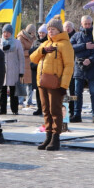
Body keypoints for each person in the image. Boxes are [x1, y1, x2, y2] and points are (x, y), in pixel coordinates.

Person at [30, 15, 74, 151]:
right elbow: (33, 58)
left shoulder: (65, 45)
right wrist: (42, 50)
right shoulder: (45, 44)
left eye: (53, 29)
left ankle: (56, 138)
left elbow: (69, 66)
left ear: (59, 30)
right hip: (42, 82)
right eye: (49, 29)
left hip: (56, 83)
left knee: (55, 111)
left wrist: (64, 85)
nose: (50, 31)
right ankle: (48, 136)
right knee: (46, 110)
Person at [70, 15, 94, 124]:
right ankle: (77, 115)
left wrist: (90, 59)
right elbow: (70, 47)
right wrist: (85, 46)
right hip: (79, 69)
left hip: (92, 68)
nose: (87, 26)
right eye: (85, 24)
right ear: (81, 24)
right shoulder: (76, 36)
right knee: (77, 94)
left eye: (89, 24)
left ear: (92, 24)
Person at [0, 24, 24, 115]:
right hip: (2, 70)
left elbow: (21, 58)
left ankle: (14, 109)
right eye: (4, 32)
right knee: (2, 91)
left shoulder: (17, 43)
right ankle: (2, 109)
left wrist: (21, 72)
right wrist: (2, 48)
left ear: (11, 33)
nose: (6, 34)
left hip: (13, 70)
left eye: (8, 32)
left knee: (13, 91)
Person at [29, 24, 48, 115]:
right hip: (35, 69)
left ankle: (46, 108)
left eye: (43, 32)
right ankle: (39, 108)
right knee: (38, 90)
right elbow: (31, 53)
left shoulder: (48, 42)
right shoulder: (35, 42)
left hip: (44, 69)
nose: (41, 34)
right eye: (40, 32)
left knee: (46, 90)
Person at [17, 24, 37, 107]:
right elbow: (20, 51)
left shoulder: (34, 38)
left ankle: (29, 102)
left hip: (32, 62)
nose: (32, 34)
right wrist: (30, 51)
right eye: (31, 33)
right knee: (22, 83)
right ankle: (20, 102)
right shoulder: (20, 38)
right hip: (23, 62)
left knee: (31, 84)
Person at [63, 20, 76, 118]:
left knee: (73, 91)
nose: (67, 28)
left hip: (73, 67)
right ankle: (64, 112)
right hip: (62, 68)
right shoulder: (61, 37)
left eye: (69, 27)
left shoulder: (76, 36)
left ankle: (73, 110)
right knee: (62, 91)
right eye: (66, 27)